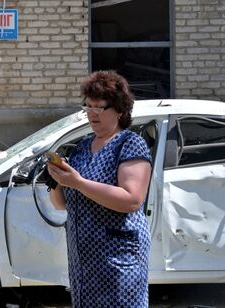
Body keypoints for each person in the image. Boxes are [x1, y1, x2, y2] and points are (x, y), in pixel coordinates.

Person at [48, 70, 152, 308]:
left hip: (117, 258)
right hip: (83, 261)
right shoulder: (82, 147)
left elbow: (131, 199)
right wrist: (55, 180)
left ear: (120, 111)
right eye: (88, 106)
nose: (92, 113)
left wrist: (78, 183)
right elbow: (63, 204)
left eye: (100, 107)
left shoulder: (129, 144)